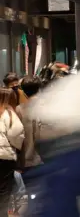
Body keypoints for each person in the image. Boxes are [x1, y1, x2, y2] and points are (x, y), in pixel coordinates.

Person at [0, 88, 24, 217]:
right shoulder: (9, 113)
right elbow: (17, 134)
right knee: (4, 192)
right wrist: (16, 147)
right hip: (4, 158)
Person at [15, 76, 43, 171]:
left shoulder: (19, 109)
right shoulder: (48, 107)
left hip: (26, 160)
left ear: (24, 92)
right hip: (46, 158)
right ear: (39, 89)